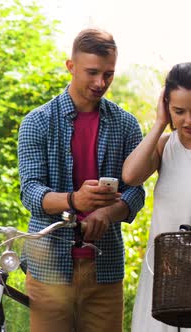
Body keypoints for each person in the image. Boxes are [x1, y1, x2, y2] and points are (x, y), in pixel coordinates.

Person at [17, 28, 145, 332]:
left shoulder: (126, 125)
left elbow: (135, 193)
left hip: (105, 268)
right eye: (92, 72)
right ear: (70, 66)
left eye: (108, 74)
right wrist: (75, 201)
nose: (101, 83)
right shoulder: (37, 122)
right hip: (48, 267)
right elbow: (31, 193)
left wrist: (106, 213)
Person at [123, 62, 191, 332]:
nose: (188, 120)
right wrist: (160, 123)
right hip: (165, 277)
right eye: (179, 111)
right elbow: (130, 175)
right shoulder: (165, 146)